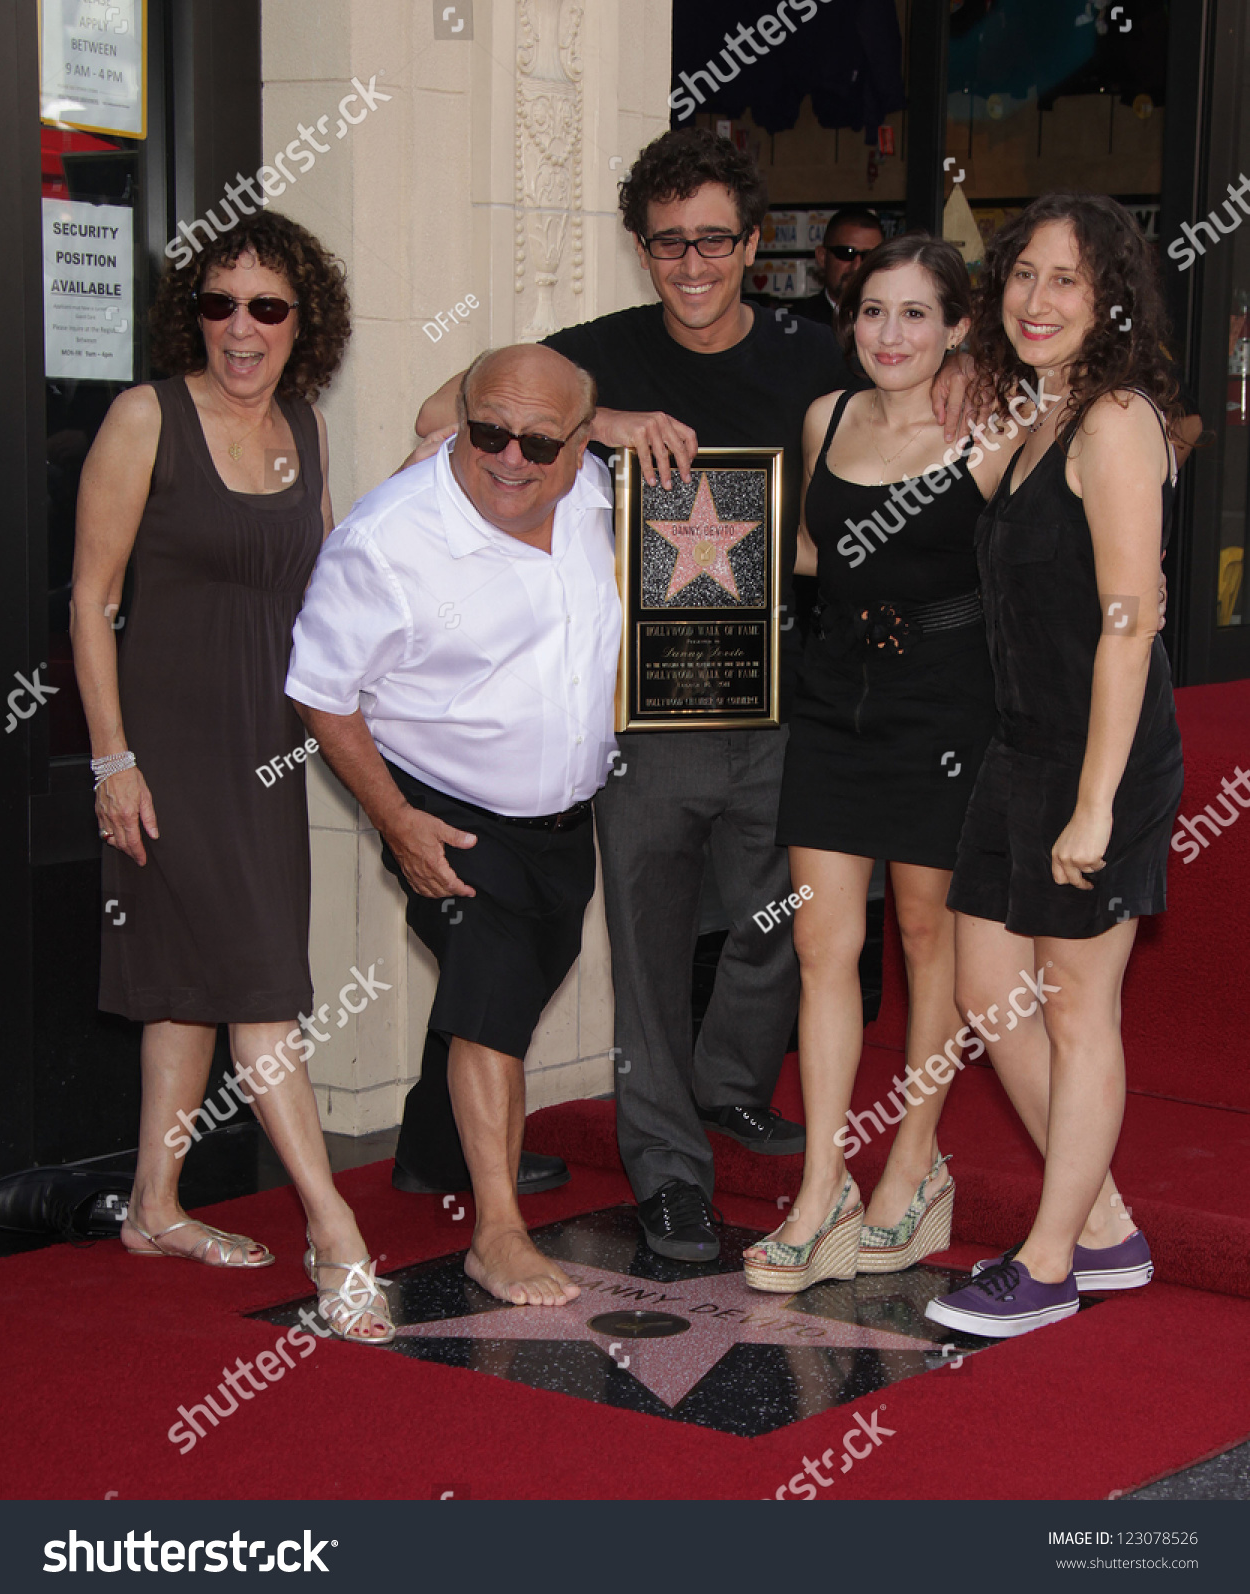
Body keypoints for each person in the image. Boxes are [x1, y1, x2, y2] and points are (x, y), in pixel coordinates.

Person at [414, 129, 974, 1263]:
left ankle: (728, 1079)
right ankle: (668, 1165)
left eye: (714, 238)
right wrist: (599, 423)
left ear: (755, 244)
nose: (692, 262)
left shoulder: (820, 352)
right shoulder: (597, 356)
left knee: (792, 928)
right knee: (651, 943)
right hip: (649, 711)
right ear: (640, 249)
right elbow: (441, 415)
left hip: (798, 696)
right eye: (668, 242)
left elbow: (933, 411)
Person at [71, 211, 393, 1343]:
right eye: (219, 304)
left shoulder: (302, 424)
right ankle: (334, 1229)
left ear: (304, 324)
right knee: (260, 987)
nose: (240, 329)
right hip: (168, 747)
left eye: (267, 308)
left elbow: (323, 589)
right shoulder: (143, 418)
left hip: (266, 749)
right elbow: (91, 600)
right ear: (190, 314)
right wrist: (113, 758)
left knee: (191, 982)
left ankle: (156, 1207)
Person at [287, 344, 620, 1307]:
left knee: (518, 983)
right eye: (488, 432)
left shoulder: (599, 490)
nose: (511, 458)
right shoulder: (387, 540)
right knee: (492, 1004)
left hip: (565, 815)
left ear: (580, 443)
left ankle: (433, 1148)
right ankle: (499, 1231)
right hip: (447, 811)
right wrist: (395, 822)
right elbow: (320, 692)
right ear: (457, 422)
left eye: (539, 441)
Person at [925, 193, 1185, 1337]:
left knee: (1081, 1010)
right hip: (1020, 743)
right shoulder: (1036, 417)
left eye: (1066, 280)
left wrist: (1096, 804)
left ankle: (1048, 1260)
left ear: (1112, 296)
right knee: (987, 990)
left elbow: (1130, 619)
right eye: (1023, 274)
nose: (1036, 299)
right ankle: (1109, 1224)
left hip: (1102, 758)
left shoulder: (1116, 418)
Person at [742, 234, 1023, 1293]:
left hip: (950, 707)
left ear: (959, 325)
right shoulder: (827, 418)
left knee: (926, 934)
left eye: (915, 314)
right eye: (871, 312)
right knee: (825, 941)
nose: (888, 335)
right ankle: (823, 1188)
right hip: (834, 701)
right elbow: (814, 555)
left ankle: (914, 1157)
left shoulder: (993, 427)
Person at [788, 206, 885, 326]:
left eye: (869, 255)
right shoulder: (794, 324)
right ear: (822, 257)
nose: (857, 266)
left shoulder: (898, 323)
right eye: (846, 253)